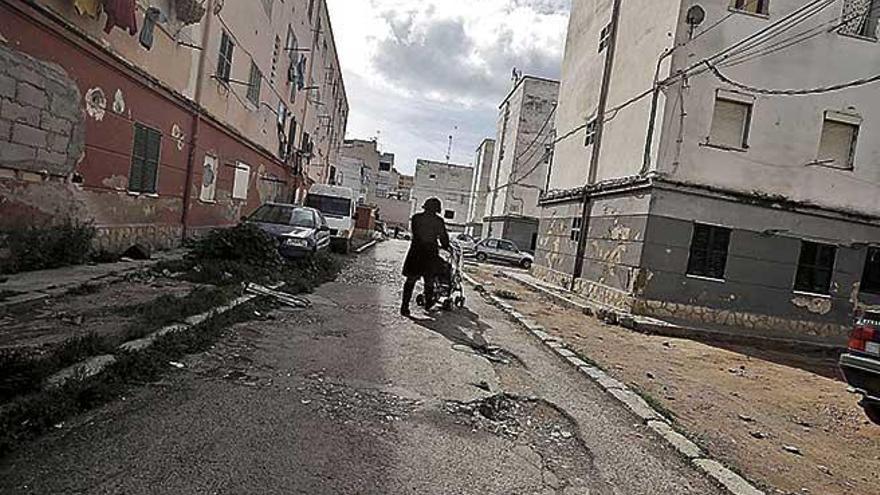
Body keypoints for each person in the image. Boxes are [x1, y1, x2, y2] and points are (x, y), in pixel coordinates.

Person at [401, 197, 450, 316]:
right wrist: (445, 245)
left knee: (410, 280)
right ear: (437, 209)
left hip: (416, 252)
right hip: (430, 254)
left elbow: (416, 233)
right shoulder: (438, 221)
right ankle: (428, 304)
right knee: (429, 280)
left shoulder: (416, 218)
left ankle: (404, 306)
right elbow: (444, 238)